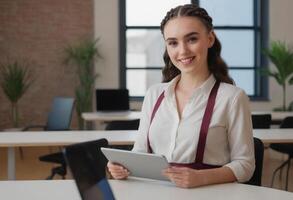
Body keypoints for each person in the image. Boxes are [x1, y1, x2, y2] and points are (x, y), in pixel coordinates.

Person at [107, 4, 255, 188]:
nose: (183, 51)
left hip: (210, 194)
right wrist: (123, 167)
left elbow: (245, 165)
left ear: (210, 38)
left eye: (191, 39)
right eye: (173, 43)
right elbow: (140, 152)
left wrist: (202, 178)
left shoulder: (232, 97)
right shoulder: (154, 94)